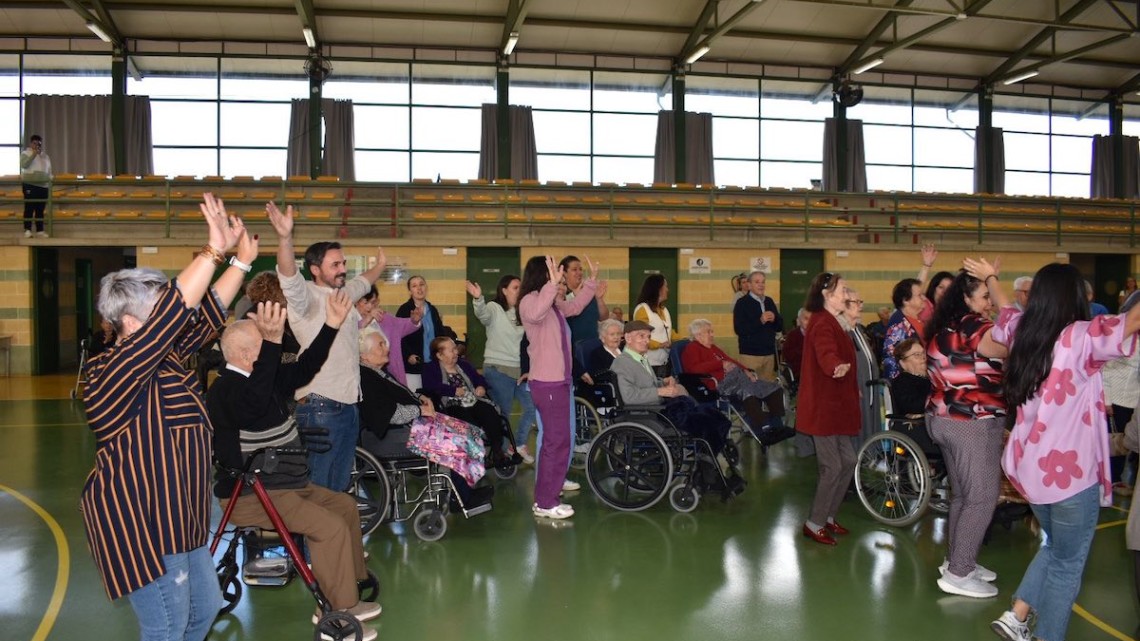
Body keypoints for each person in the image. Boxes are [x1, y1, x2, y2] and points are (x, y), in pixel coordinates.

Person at [80, 193, 252, 641]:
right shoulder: (108, 372)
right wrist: (213, 251)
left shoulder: (167, 356)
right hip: (146, 523)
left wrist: (241, 262)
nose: (175, 319)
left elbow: (207, 311)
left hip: (185, 518)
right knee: (167, 625)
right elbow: (180, 309)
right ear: (133, 324)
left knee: (204, 609)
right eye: (160, 312)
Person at [207, 296, 381, 641]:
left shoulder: (263, 379)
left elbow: (305, 368)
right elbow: (253, 406)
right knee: (328, 527)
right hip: (252, 494)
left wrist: (331, 326)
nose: (273, 350)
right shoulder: (225, 390)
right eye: (263, 345)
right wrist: (271, 343)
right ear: (245, 355)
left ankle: (350, 589)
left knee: (345, 507)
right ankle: (334, 610)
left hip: (285, 484)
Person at [989, 261, 1140, 641]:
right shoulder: (1080, 336)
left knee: (1057, 548)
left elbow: (1005, 309)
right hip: (1073, 477)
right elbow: (1133, 321)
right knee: (1067, 565)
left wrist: (991, 278)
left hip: (1033, 473)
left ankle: (1018, 613)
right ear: (1075, 296)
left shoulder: (1023, 330)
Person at [267, 200, 388, 493]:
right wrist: (285, 238)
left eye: (343, 263)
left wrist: (379, 267)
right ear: (315, 270)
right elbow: (288, 276)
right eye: (335, 265)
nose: (342, 269)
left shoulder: (343, 293)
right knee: (319, 489)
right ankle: (311, 541)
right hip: (322, 405)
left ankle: (331, 539)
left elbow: (363, 281)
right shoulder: (306, 297)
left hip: (347, 405)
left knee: (338, 486)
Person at [924, 268, 1009, 599]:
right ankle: (959, 574)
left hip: (943, 420)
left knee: (962, 495)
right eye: (985, 296)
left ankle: (959, 561)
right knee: (983, 496)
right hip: (972, 420)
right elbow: (1006, 343)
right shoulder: (976, 325)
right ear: (967, 298)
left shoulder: (943, 327)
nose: (990, 304)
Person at [358, 327, 493, 511]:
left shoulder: (378, 373)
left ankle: (464, 491)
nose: (386, 348)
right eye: (380, 345)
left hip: (407, 427)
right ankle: (462, 498)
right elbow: (390, 414)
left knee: (469, 432)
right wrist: (420, 410)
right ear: (365, 356)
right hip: (390, 436)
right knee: (459, 439)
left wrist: (419, 398)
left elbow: (399, 397)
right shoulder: (366, 378)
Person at [612, 319, 741, 495]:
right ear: (627, 337)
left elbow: (645, 384)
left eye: (648, 337)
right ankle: (706, 476)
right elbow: (629, 397)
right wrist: (661, 392)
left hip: (661, 408)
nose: (646, 340)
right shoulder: (623, 363)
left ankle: (707, 472)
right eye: (641, 336)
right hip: (648, 414)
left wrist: (662, 382)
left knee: (716, 418)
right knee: (709, 424)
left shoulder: (639, 358)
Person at [519, 254, 598, 520]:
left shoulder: (554, 305)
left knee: (559, 441)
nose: (560, 278)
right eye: (553, 273)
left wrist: (591, 283)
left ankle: (546, 497)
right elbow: (536, 311)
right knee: (555, 442)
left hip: (560, 381)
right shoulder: (530, 302)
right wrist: (551, 285)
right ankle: (545, 501)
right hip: (547, 382)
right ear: (542, 275)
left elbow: (574, 308)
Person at [797, 271, 859, 546]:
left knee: (849, 461)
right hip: (823, 408)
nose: (846, 294)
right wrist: (835, 365)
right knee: (832, 466)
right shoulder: (822, 322)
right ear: (826, 294)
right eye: (842, 290)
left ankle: (829, 516)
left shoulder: (834, 320)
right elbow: (825, 352)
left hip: (835, 407)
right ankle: (814, 523)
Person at [469, 275, 537, 464]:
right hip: (498, 369)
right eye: (515, 287)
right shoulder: (494, 308)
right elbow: (482, 315)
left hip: (520, 371)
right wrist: (478, 299)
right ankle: (502, 453)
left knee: (532, 408)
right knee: (503, 413)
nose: (519, 290)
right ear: (504, 290)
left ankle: (519, 443)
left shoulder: (523, 313)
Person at [681, 318, 787, 436]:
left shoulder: (712, 348)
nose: (712, 335)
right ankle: (762, 427)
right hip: (720, 384)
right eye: (709, 332)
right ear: (698, 335)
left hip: (737, 379)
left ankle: (777, 424)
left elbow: (730, 360)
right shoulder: (692, 348)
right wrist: (720, 364)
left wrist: (745, 370)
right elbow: (694, 369)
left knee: (773, 387)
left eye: (712, 331)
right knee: (748, 390)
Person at [422, 336, 512, 466]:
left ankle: (497, 450)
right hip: (450, 404)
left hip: (472, 400)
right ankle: (477, 454)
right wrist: (452, 391)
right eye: (452, 350)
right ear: (440, 355)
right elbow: (430, 386)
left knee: (490, 413)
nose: (456, 352)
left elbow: (478, 378)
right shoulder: (430, 369)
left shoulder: (464, 365)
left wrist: (481, 386)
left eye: (455, 349)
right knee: (467, 421)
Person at [356, 284, 420, 387]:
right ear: (355, 302)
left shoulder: (384, 318)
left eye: (373, 302)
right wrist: (366, 320)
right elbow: (350, 338)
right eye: (365, 302)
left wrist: (414, 320)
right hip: (361, 377)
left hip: (389, 373)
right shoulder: (348, 320)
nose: (369, 306)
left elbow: (402, 326)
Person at [843, 291, 880, 446]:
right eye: (856, 302)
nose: (861, 306)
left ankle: (869, 454)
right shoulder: (842, 332)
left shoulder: (858, 330)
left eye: (861, 301)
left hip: (869, 388)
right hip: (856, 389)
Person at [396, 275, 445, 392]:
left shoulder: (432, 310)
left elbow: (439, 335)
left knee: (434, 397)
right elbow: (398, 337)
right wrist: (408, 355)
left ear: (426, 287)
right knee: (417, 399)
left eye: (422, 284)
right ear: (410, 291)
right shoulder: (404, 310)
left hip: (433, 363)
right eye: (414, 286)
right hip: (414, 364)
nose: (419, 288)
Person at [733, 271, 783, 381]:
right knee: (750, 389)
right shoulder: (742, 303)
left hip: (769, 354)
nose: (761, 285)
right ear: (749, 285)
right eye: (757, 282)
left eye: (763, 282)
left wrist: (775, 319)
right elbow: (739, 329)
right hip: (750, 355)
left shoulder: (769, 301)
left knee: (768, 389)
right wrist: (760, 321)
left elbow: (779, 327)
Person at [633, 274, 682, 378]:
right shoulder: (643, 309)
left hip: (664, 362)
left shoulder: (664, 310)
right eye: (666, 286)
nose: (668, 290)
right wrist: (660, 345)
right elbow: (640, 336)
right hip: (648, 363)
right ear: (658, 289)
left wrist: (684, 339)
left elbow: (668, 332)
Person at [882, 277, 926, 379]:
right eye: (919, 295)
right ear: (906, 300)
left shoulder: (918, 321)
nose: (924, 298)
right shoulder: (898, 326)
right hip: (908, 385)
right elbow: (891, 360)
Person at [561, 255, 609, 344]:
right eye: (574, 270)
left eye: (580, 269)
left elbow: (604, 317)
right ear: (564, 273)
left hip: (592, 344)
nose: (579, 272)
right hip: (571, 346)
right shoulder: (560, 294)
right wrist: (574, 296)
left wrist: (599, 299)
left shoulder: (589, 293)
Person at [20, 134, 51, 238]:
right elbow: (24, 165)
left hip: (43, 186)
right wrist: (33, 154)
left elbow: (49, 170)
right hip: (30, 185)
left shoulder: (45, 156)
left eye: (38, 143)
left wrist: (49, 178)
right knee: (29, 207)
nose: (36, 145)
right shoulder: (25, 153)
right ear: (31, 143)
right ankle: (27, 230)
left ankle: (40, 230)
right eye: (34, 143)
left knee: (40, 209)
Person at [889, 338, 931, 417]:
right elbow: (913, 407)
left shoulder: (932, 378)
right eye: (917, 355)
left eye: (923, 353)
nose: (923, 358)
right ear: (902, 363)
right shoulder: (902, 382)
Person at [782, 308, 809, 384]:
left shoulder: (817, 334)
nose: (809, 322)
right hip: (799, 369)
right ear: (799, 320)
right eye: (805, 318)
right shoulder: (792, 335)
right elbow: (787, 354)